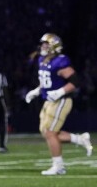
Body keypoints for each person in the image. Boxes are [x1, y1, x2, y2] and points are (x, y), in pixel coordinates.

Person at [25, 33, 92, 176]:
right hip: (48, 100)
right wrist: (37, 91)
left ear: (54, 46)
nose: (43, 46)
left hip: (61, 100)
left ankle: (59, 166)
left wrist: (60, 92)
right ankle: (80, 139)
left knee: (50, 133)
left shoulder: (60, 61)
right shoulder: (42, 60)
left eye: (46, 44)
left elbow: (75, 82)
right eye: (42, 43)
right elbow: (46, 81)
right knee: (47, 132)